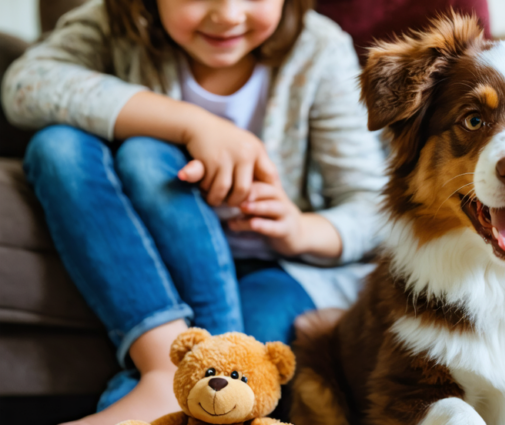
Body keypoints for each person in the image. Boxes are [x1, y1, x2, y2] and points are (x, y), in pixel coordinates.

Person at [1, 0, 385, 423]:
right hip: (163, 260)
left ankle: (169, 379)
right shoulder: (112, 24)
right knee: (70, 145)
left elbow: (372, 206)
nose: (228, 14)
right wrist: (193, 123)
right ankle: (164, 364)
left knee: (229, 369)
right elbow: (26, 84)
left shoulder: (318, 48)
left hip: (282, 267)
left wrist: (300, 230)